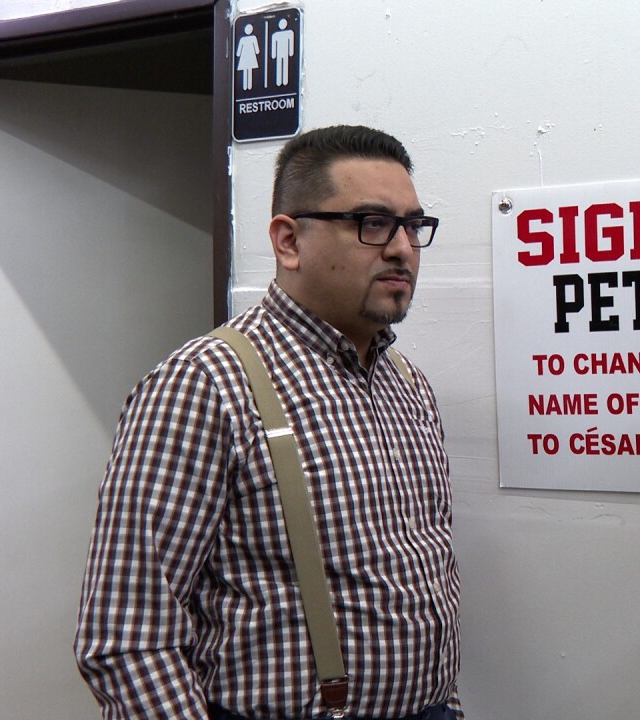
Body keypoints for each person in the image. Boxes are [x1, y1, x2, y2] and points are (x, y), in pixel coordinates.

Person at [75, 126, 462, 720]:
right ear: (288, 241)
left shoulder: (407, 386)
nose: (402, 248)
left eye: (413, 225)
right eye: (372, 222)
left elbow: (426, 580)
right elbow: (127, 634)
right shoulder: (205, 385)